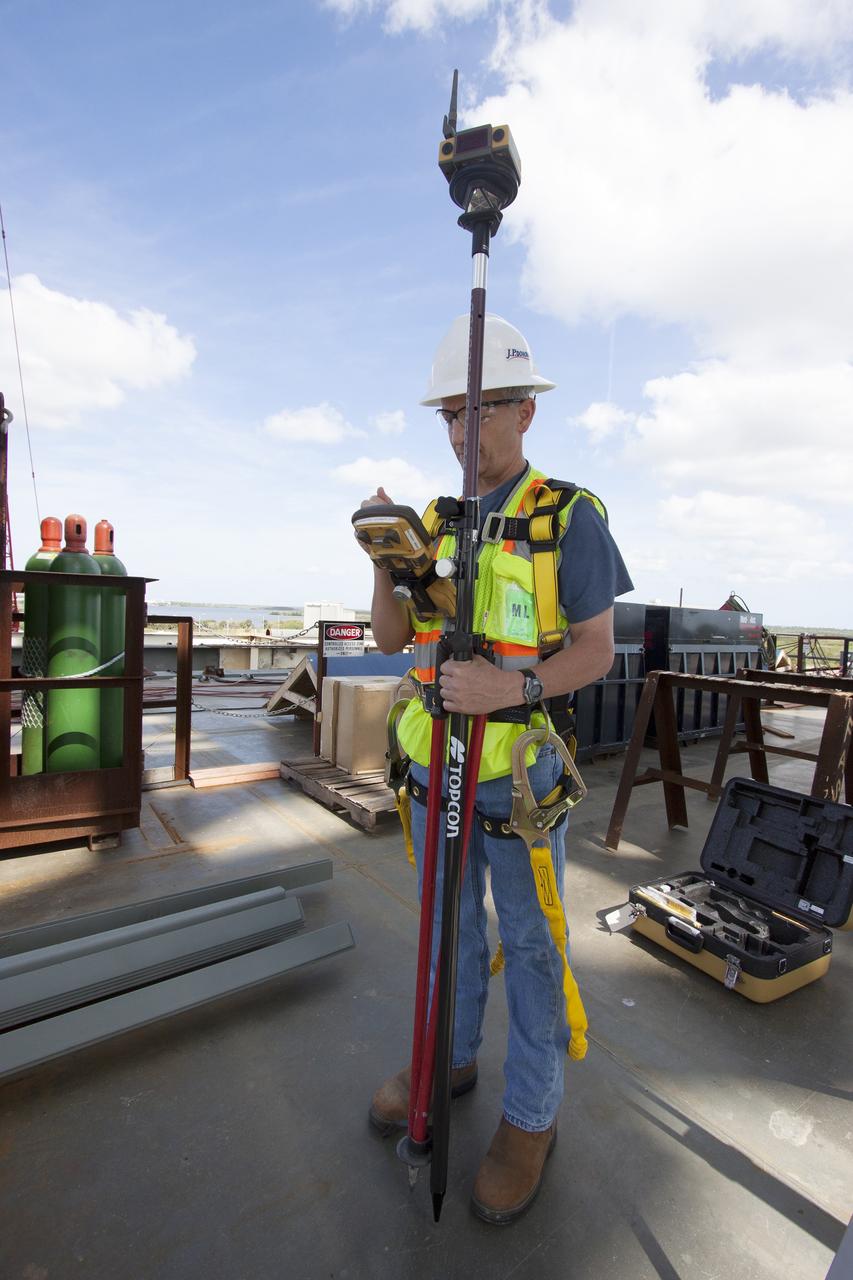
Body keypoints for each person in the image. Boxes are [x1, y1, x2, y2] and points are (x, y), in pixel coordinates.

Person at [362, 313, 633, 1224]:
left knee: (531, 943)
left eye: (474, 413)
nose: (455, 433)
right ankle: (450, 1062)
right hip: (436, 770)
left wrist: (510, 690)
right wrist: (382, 561)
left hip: (519, 784)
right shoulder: (437, 522)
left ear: (524, 414)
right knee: (449, 934)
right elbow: (393, 638)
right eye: (446, 416)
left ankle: (530, 1118)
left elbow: (597, 651)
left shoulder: (569, 517)